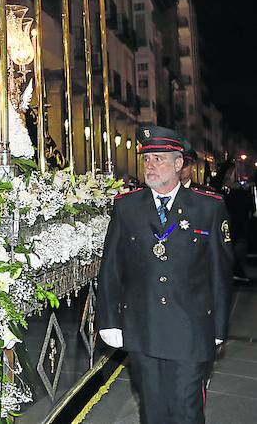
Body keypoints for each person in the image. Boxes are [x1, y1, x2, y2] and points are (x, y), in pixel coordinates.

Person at [97, 125, 234, 424]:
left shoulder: (208, 208)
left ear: (178, 164)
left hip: (190, 330)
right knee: (152, 410)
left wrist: (219, 327)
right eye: (147, 160)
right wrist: (108, 320)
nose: (150, 166)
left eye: (158, 158)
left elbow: (220, 273)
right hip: (142, 328)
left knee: (186, 410)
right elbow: (111, 268)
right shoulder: (127, 207)